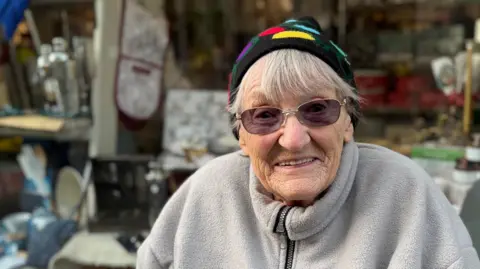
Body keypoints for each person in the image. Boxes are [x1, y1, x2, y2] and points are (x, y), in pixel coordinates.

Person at [137, 16, 480, 268]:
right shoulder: (202, 197)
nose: (294, 139)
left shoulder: (407, 196)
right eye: (265, 115)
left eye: (317, 109)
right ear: (241, 135)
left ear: (349, 122)